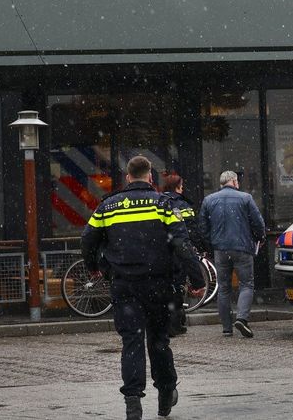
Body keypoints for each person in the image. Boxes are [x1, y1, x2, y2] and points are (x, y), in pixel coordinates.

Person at [81, 155, 206, 420]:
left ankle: (133, 401)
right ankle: (165, 393)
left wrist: (94, 267)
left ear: (128, 177)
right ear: (150, 177)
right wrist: (197, 280)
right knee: (159, 341)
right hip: (159, 285)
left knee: (132, 343)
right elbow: (182, 244)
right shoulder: (163, 204)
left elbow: (88, 238)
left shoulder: (108, 206)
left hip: (124, 285)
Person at [198, 170, 266, 338]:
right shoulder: (246, 198)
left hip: (220, 249)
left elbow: (203, 227)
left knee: (224, 288)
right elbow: (258, 223)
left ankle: (226, 328)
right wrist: (259, 237)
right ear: (235, 182)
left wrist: (210, 243)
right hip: (242, 248)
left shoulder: (209, 200)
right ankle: (242, 319)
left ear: (221, 183)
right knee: (246, 284)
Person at [161, 173, 208, 337]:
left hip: (161, 253)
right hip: (179, 251)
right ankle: (175, 325)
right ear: (178, 187)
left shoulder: (159, 201)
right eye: (182, 185)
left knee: (167, 288)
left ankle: (171, 323)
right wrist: (200, 247)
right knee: (177, 287)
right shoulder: (182, 205)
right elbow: (192, 230)